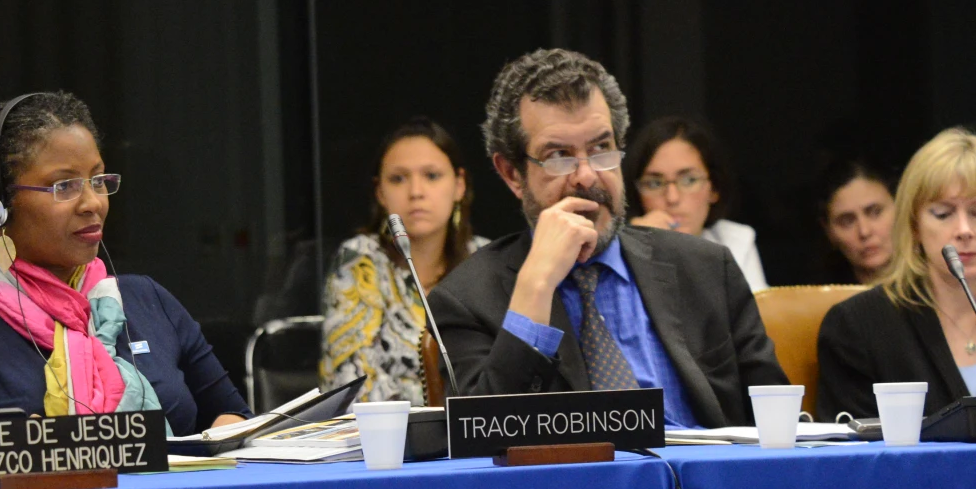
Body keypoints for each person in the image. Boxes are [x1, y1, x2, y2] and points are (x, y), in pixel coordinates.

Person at [0, 91, 248, 451]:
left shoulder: (149, 301)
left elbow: (238, 420)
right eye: (64, 186)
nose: (92, 202)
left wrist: (215, 445)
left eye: (98, 180)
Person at [429, 49, 784, 428]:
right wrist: (535, 285)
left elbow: (780, 424)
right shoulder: (465, 301)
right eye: (559, 155)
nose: (587, 176)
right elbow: (484, 440)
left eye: (601, 149)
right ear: (512, 174)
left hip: (705, 482)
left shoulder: (709, 269)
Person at [319, 118, 486, 403]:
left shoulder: (485, 260)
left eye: (432, 176)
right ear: (380, 193)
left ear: (459, 185)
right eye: (398, 178)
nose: (416, 192)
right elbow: (354, 383)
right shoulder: (361, 261)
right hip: (382, 439)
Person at [816, 127, 976, 421]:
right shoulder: (858, 327)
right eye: (943, 213)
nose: (965, 230)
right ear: (913, 225)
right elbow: (853, 458)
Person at [624, 115, 768, 291]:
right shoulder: (624, 247)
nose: (672, 198)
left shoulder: (736, 241)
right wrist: (636, 250)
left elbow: (758, 315)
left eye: (689, 180)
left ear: (714, 189)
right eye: (654, 183)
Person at [816, 158, 896, 285]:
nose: (864, 231)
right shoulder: (819, 300)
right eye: (847, 221)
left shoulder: (936, 288)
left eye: (875, 212)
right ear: (829, 231)